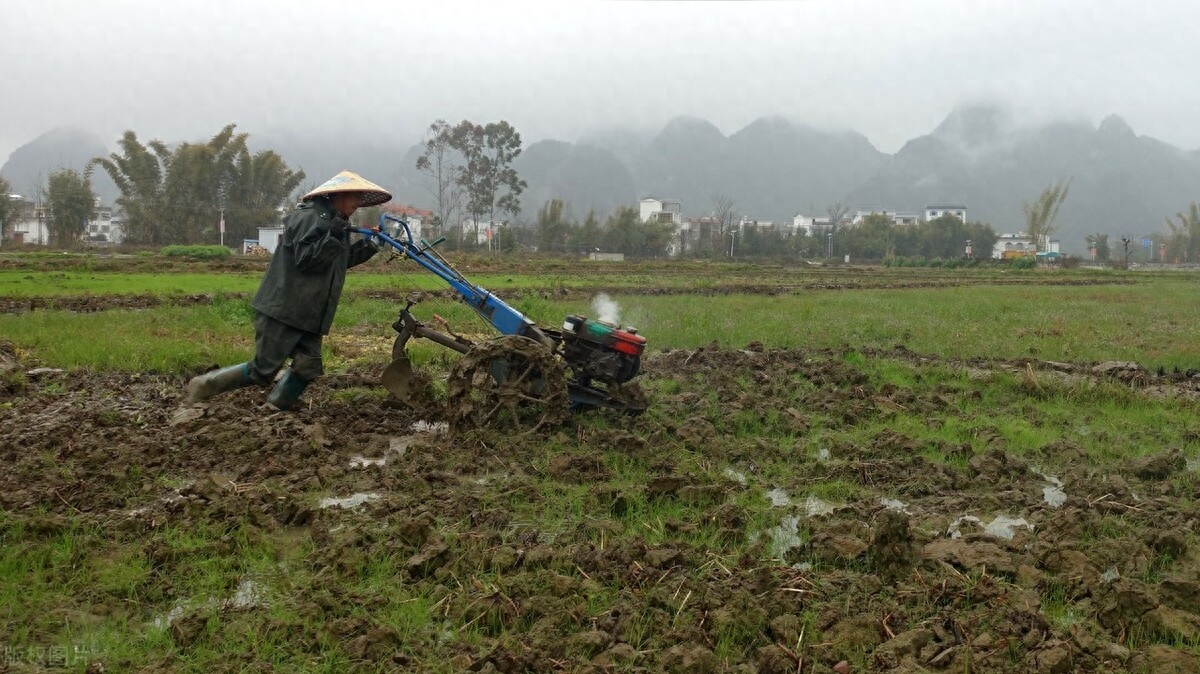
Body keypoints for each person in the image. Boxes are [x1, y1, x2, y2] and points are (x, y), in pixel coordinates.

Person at [186, 170, 392, 410]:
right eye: (355, 197)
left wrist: (371, 245)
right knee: (262, 370)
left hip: (310, 313)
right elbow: (307, 258)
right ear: (339, 195)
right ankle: (204, 385)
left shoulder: (336, 223)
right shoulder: (308, 218)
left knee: (308, 367)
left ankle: (275, 408)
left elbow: (338, 261)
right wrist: (335, 231)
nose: (357, 204)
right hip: (284, 309)